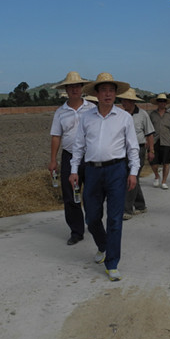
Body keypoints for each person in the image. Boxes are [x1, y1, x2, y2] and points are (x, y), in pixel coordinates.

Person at [69, 72, 140, 282]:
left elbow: (132, 147)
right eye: (104, 90)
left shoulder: (124, 118)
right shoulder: (86, 117)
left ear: (116, 94)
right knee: (91, 217)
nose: (108, 94)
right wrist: (74, 170)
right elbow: (78, 146)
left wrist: (133, 172)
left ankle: (112, 263)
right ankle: (103, 244)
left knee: (115, 219)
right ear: (97, 94)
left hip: (117, 170)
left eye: (111, 90)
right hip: (92, 171)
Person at [49, 71, 96, 245]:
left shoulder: (92, 108)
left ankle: (93, 223)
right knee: (70, 195)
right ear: (66, 90)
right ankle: (76, 231)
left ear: (82, 88)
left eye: (77, 86)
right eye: (71, 87)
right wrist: (53, 160)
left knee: (92, 193)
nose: (74, 89)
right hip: (69, 156)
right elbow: (56, 136)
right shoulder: (60, 112)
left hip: (90, 157)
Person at [117, 88, 155, 220]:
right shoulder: (120, 115)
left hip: (139, 149)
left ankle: (127, 209)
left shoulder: (143, 114)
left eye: (126, 100)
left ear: (132, 101)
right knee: (132, 178)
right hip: (123, 150)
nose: (123, 103)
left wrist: (151, 150)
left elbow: (149, 134)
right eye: (122, 100)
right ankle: (141, 205)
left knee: (132, 177)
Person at [148, 93, 170, 190]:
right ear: (157, 102)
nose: (162, 103)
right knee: (153, 162)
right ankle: (157, 176)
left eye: (164, 101)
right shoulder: (152, 114)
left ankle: (164, 181)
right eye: (160, 101)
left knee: (166, 162)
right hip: (154, 141)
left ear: (166, 103)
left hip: (166, 141)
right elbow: (148, 129)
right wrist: (147, 141)